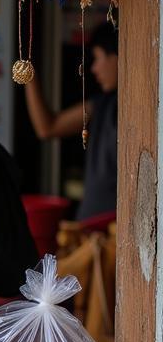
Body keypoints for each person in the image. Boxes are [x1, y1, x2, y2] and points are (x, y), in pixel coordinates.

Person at [23, 21, 118, 221]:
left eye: (99, 58)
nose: (93, 68)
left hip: (115, 227)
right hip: (90, 224)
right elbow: (47, 128)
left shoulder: (137, 107)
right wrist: (27, 74)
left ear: (118, 56)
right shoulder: (100, 105)